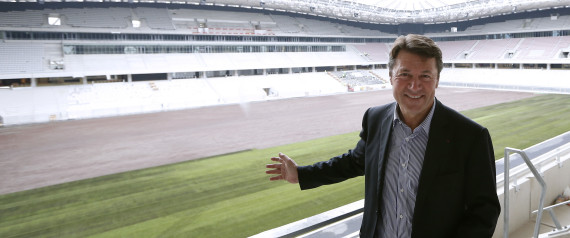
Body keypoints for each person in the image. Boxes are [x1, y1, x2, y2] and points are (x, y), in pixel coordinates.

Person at [265, 34, 500, 238]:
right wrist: (301, 175)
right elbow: (354, 162)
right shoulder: (375, 118)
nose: (414, 85)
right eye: (405, 74)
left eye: (425, 76)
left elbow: (485, 211)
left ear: (437, 79)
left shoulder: (471, 137)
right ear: (390, 76)